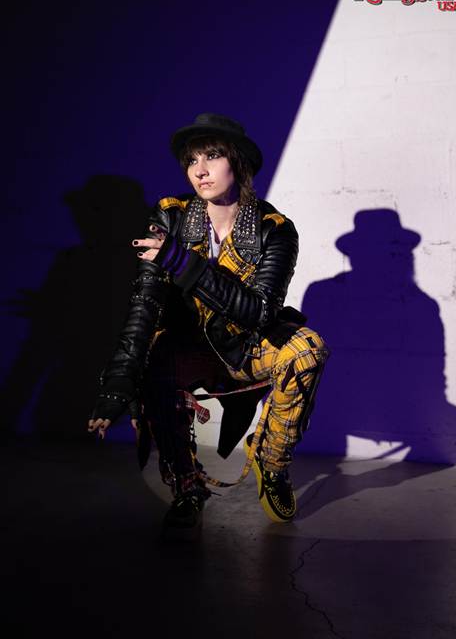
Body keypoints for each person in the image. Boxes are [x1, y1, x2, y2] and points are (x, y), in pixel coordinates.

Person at [88, 112, 329, 538]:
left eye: (212, 156)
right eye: (191, 160)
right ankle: (187, 487)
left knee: (307, 349)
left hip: (244, 347)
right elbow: (145, 305)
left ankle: (271, 460)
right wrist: (118, 383)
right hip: (188, 347)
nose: (199, 170)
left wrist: (182, 262)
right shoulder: (172, 216)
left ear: (238, 163)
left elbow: (258, 312)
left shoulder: (274, 229)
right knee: (155, 362)